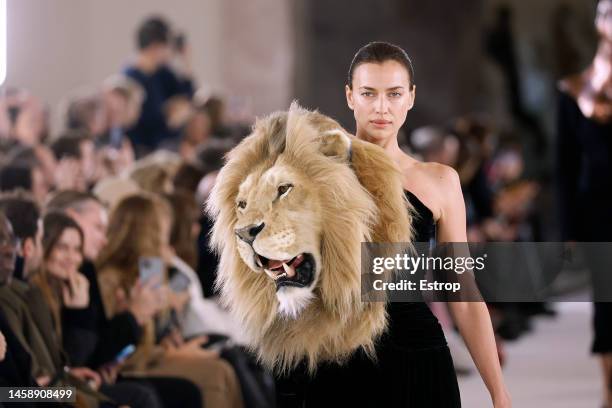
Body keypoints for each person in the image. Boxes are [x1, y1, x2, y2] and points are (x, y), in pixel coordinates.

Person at [344, 42, 510, 407]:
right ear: (350, 96)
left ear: (411, 98)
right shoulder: (321, 174)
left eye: (394, 94)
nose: (382, 107)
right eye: (369, 93)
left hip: (416, 353)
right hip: (338, 354)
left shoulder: (439, 181)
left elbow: (463, 293)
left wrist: (499, 393)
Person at [557, 1, 612, 407]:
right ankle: (610, 389)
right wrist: (568, 229)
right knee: (607, 300)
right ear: (599, 23)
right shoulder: (574, 89)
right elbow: (565, 167)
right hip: (599, 212)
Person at [124, 16, 195, 156]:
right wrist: (169, 119)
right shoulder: (130, 79)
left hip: (166, 148)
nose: (170, 51)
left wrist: (187, 62)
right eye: (167, 46)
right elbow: (143, 126)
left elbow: (187, 98)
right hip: (142, 153)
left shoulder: (162, 72)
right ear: (155, 47)